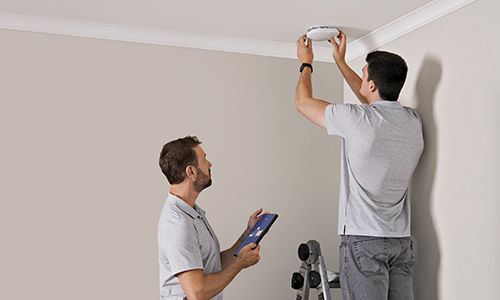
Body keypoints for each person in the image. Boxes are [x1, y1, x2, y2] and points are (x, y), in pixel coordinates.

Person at [294, 32, 424, 300]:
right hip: (400, 241)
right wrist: (340, 62)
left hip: (363, 240)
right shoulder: (412, 122)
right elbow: (375, 102)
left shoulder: (358, 120)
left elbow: (303, 103)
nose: (361, 79)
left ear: (373, 85)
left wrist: (306, 63)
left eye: (363, 75)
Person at [158, 136, 265, 300]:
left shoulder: (192, 213)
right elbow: (197, 292)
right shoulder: (178, 223)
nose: (210, 164)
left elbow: (211, 265)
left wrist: (247, 235)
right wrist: (239, 264)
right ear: (191, 172)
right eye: (204, 159)